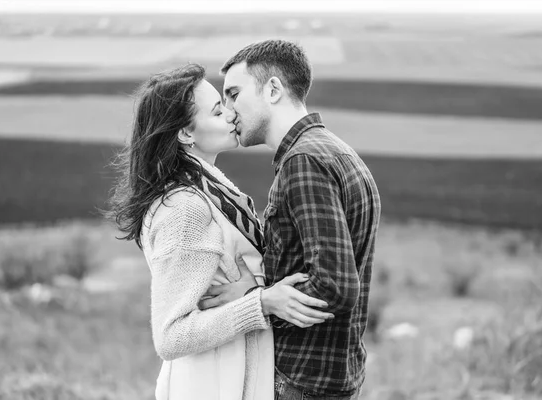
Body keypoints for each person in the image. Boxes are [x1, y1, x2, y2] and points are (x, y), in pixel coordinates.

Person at [106, 63, 334, 400]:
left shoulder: (212, 189)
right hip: (212, 385)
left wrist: (256, 287)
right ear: (185, 133)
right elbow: (171, 337)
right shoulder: (185, 209)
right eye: (217, 111)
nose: (231, 114)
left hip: (230, 377)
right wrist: (262, 302)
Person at [200, 40, 382, 399]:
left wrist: (255, 297)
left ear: (272, 90)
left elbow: (334, 286)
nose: (230, 110)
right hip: (329, 376)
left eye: (234, 94)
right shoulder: (335, 150)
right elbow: (311, 263)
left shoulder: (304, 163)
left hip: (300, 380)